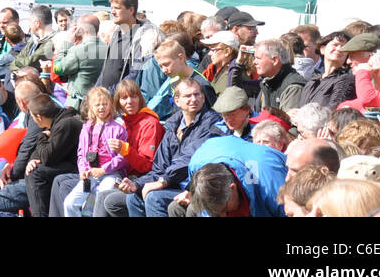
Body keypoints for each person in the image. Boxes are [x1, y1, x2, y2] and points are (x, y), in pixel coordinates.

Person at [98, 76, 221, 217]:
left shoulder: (211, 122)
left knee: (154, 198)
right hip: (172, 183)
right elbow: (158, 168)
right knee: (132, 197)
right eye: (188, 96)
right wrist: (137, 184)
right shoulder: (173, 126)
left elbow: (189, 159)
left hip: (193, 187)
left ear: (203, 98)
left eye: (197, 94)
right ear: (177, 101)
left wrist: (163, 181)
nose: (193, 99)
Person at [54, 86, 128, 217]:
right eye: (97, 105)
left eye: (105, 104)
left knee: (99, 201)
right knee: (70, 203)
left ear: (111, 105)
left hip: (110, 174)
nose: (101, 108)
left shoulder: (118, 129)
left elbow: (122, 158)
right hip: (90, 174)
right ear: (91, 107)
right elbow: (81, 154)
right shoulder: (86, 128)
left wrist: (104, 170)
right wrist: (83, 170)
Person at [185, 137, 288, 216]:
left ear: (232, 188)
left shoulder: (271, 180)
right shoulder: (196, 166)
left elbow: (292, 213)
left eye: (224, 210)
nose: (223, 216)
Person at [95, 0, 161, 89]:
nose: (112, 12)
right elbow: (106, 70)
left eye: (117, 8)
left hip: (124, 99)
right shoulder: (116, 34)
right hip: (107, 99)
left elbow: (135, 74)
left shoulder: (144, 37)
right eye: (112, 8)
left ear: (131, 10)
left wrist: (111, 92)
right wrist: (96, 91)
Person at [53, 13, 107, 108]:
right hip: (101, 103)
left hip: (79, 105)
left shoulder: (78, 50)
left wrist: (66, 44)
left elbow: (58, 69)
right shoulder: (108, 49)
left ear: (81, 29)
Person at [299, 31, 356, 109]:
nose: (339, 49)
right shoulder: (313, 80)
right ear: (322, 49)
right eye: (335, 45)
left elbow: (334, 110)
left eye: (344, 47)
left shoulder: (346, 79)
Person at [254, 39, 307, 113]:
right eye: (255, 58)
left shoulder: (294, 87)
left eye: (258, 58)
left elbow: (288, 121)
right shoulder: (267, 82)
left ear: (275, 60)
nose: (254, 62)